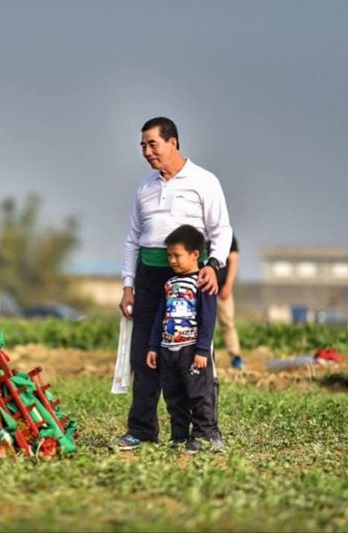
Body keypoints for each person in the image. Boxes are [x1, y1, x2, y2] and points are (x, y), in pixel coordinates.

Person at [111, 117, 232, 451]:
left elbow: (221, 230)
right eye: (143, 146)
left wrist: (213, 265)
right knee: (145, 356)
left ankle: (205, 432)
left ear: (173, 142)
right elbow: (132, 240)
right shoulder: (145, 188)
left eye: (153, 144)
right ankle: (141, 430)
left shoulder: (204, 181)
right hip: (149, 280)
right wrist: (128, 285)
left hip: (190, 282)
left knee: (194, 357)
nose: (148, 152)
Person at [145, 225, 223, 453]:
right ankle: (179, 436)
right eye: (169, 255)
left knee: (200, 394)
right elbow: (161, 315)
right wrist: (153, 347)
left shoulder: (203, 282)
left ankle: (205, 434)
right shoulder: (169, 284)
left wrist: (201, 351)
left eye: (177, 255)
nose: (172, 260)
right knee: (173, 395)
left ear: (195, 255)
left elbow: (208, 318)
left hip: (192, 350)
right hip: (169, 349)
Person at [217, 235, 243, 369]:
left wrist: (228, 285)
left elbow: (233, 259)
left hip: (222, 288)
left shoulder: (226, 233)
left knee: (227, 322)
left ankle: (235, 357)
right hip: (200, 288)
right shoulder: (197, 229)